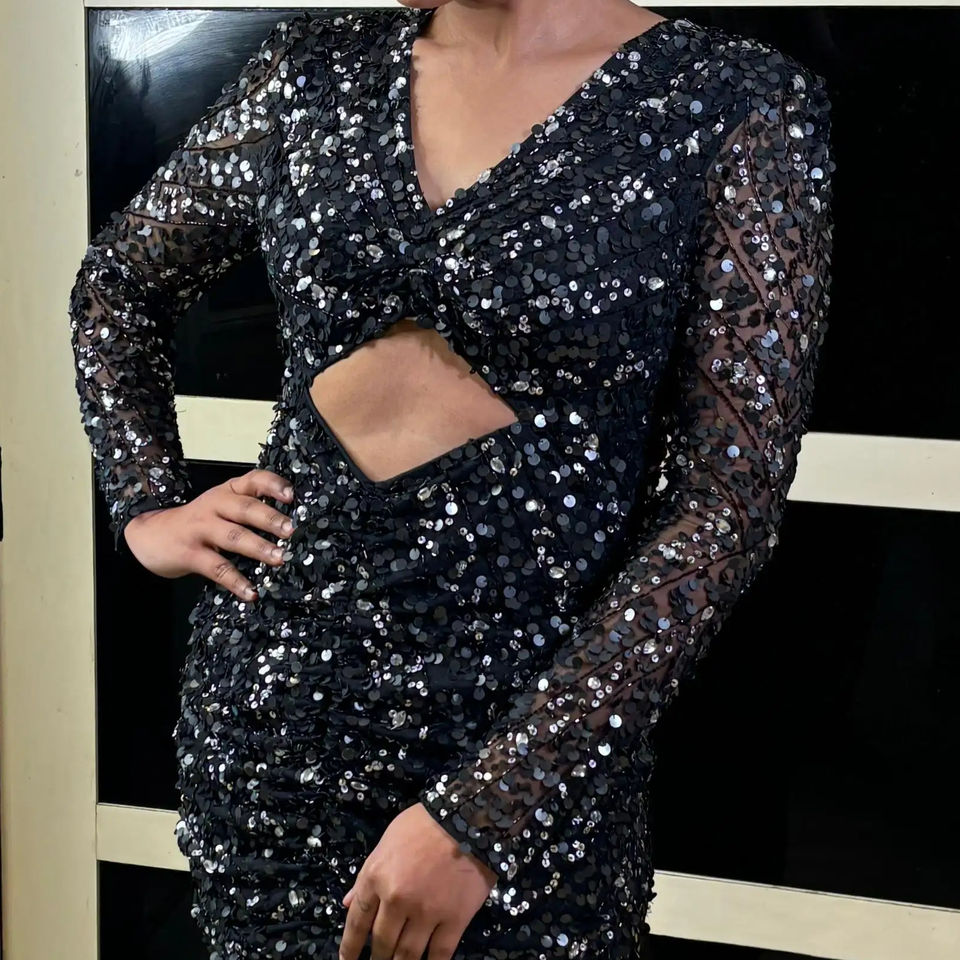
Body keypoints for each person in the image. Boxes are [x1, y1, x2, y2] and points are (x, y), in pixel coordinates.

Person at [67, 1, 835, 958]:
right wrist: (148, 502)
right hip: (273, 725)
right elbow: (116, 289)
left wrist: (488, 812)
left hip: (530, 745)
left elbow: (725, 507)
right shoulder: (315, 68)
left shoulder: (732, 101)